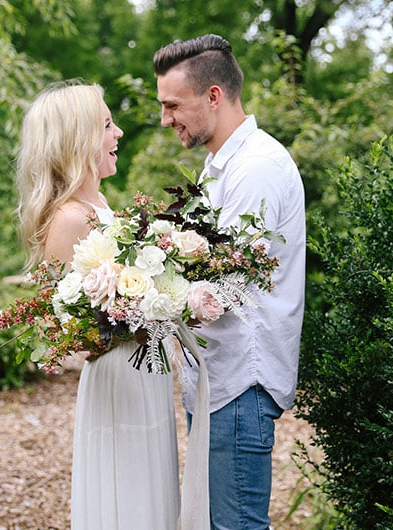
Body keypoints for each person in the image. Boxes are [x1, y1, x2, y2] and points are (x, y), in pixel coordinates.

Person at [153, 34, 306, 530]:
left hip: (241, 382)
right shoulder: (223, 165)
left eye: (173, 105)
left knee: (235, 526)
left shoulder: (255, 169)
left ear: (213, 96)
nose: (165, 119)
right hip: (218, 380)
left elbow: (225, 286)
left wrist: (139, 294)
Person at [15, 81, 181, 530]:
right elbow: (62, 328)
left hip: (144, 373)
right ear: (78, 139)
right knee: (126, 498)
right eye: (108, 124)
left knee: (151, 492)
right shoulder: (69, 218)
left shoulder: (100, 204)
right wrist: (135, 316)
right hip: (119, 379)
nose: (119, 133)